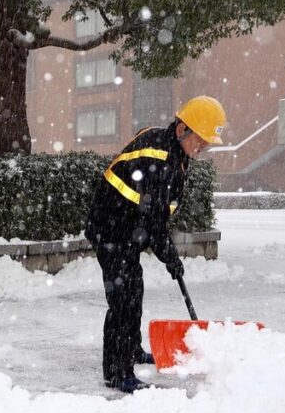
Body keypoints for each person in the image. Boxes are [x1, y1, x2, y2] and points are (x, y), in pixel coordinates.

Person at [84, 96, 226, 393]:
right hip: (112, 228)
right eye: (200, 140)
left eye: (206, 143)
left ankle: (132, 349)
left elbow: (154, 216)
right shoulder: (161, 159)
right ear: (181, 130)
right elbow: (154, 219)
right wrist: (170, 257)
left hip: (126, 226)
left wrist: (162, 248)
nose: (203, 147)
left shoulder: (171, 150)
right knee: (122, 300)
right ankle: (116, 372)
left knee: (133, 289)